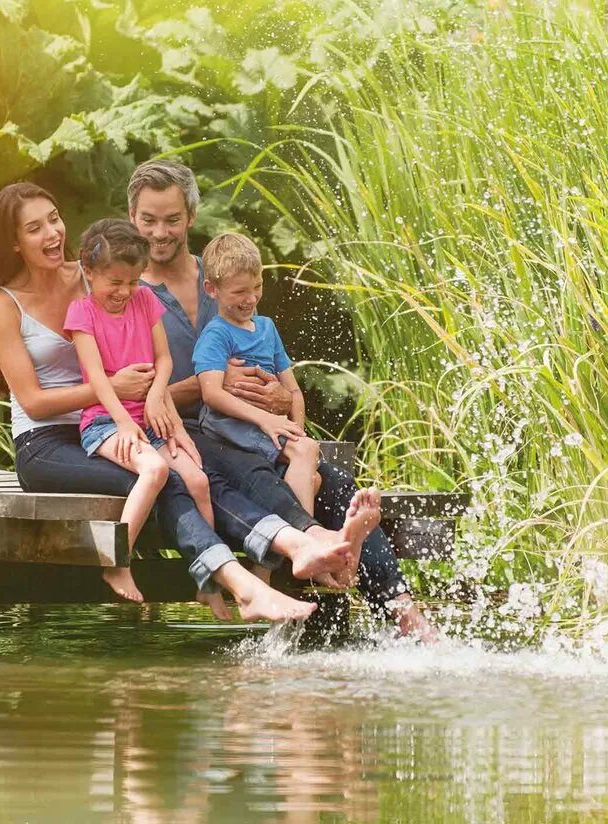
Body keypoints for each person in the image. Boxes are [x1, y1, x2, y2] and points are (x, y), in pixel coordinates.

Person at [0, 182, 371, 623]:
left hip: (123, 419)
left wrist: (166, 393)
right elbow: (31, 402)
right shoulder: (3, 304)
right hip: (49, 443)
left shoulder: (92, 273)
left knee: (201, 473)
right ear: (13, 241)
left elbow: (146, 327)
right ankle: (243, 583)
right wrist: (115, 387)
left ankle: (299, 545)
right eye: (34, 228)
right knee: (165, 481)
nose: (51, 233)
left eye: (53, 219)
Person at [127, 159, 436, 639]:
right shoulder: (125, 293)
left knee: (335, 484)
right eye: (149, 219)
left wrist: (274, 393)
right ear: (132, 217)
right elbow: (131, 393)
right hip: (181, 436)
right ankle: (315, 549)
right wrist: (212, 385)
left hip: (245, 426)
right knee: (255, 477)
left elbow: (259, 352)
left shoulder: (226, 273)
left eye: (171, 219)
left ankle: (406, 617)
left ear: (190, 215)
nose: (160, 232)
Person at [64, 218, 215, 603]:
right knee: (156, 468)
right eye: (114, 282)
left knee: (197, 480)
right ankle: (115, 561)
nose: (124, 291)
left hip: (147, 416)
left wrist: (154, 397)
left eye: (132, 281)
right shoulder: (82, 314)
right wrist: (122, 422)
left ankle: (207, 575)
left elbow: (163, 360)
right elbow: (98, 379)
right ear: (88, 271)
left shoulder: (145, 299)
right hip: (104, 422)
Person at [193, 232, 322, 515]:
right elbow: (211, 393)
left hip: (265, 426)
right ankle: (307, 540)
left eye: (258, 286)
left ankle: (274, 559)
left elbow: (293, 392)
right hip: (231, 427)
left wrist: (296, 429)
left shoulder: (267, 328)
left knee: (313, 476)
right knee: (307, 452)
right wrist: (266, 420)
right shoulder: (216, 335)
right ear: (211, 289)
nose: (251, 298)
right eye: (239, 292)